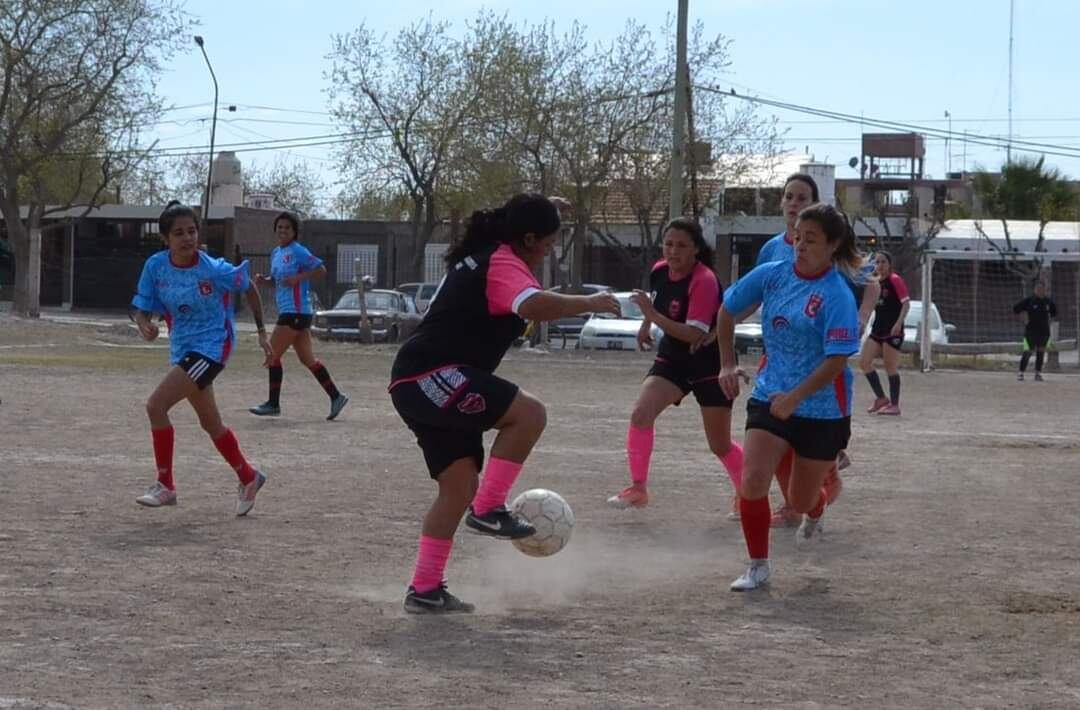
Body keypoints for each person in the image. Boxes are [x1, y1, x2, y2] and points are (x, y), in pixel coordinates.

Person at [388, 193, 620, 614]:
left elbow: (519, 226)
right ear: (527, 238)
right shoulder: (503, 262)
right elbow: (533, 305)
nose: (549, 251)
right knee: (530, 414)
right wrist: (589, 302)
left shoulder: (489, 251)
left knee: (456, 489)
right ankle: (490, 508)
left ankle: (424, 588)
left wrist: (541, 205)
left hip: (415, 380)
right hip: (431, 374)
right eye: (547, 244)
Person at [717, 202, 863, 591]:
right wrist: (727, 363)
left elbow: (836, 361)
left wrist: (797, 397)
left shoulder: (837, 294)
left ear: (833, 245)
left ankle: (815, 509)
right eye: (798, 236)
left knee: (799, 501)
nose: (800, 244)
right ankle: (758, 566)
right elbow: (727, 311)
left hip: (822, 408)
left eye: (811, 239)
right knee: (752, 481)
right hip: (770, 394)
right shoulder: (772, 275)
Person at [752, 174, 880, 527]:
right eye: (789, 196)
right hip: (778, 359)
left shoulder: (827, 247)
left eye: (802, 197)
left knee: (800, 437)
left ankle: (816, 485)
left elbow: (868, 279)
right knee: (771, 435)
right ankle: (797, 501)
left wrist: (863, 314)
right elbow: (754, 295)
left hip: (819, 362)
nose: (794, 203)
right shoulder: (772, 250)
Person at [131, 201, 273, 515]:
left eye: (192, 231)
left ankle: (165, 485)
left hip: (212, 346)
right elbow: (142, 309)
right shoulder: (156, 267)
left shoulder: (212, 268)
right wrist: (144, 325)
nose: (187, 238)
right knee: (211, 424)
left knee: (156, 405)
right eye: (179, 232)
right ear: (165, 238)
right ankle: (248, 476)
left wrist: (262, 332)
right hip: (182, 349)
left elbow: (247, 286)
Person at [605, 218, 743, 515]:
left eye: (682, 245)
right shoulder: (659, 271)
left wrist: (651, 315)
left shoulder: (703, 280)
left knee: (719, 444)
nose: (673, 251)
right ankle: (638, 488)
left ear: (696, 249)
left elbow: (694, 334)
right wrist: (646, 323)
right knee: (641, 414)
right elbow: (659, 302)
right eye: (669, 244)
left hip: (710, 363)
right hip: (674, 359)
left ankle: (748, 494)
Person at [249, 212, 349, 420]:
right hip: (292, 313)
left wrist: (299, 278)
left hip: (295, 312)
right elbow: (278, 281)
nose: (283, 231)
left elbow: (320, 269)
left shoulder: (298, 251)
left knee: (272, 354)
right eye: (280, 227)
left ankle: (273, 404)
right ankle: (337, 397)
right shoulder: (276, 252)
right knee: (308, 360)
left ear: (294, 232)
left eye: (287, 227)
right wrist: (264, 280)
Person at [859, 251, 909, 416]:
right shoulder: (874, 283)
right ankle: (881, 398)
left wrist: (898, 324)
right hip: (877, 330)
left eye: (883, 262)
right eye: (877, 262)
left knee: (890, 366)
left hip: (892, 330)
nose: (880, 265)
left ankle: (895, 405)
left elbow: (906, 303)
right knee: (864, 362)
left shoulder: (895, 280)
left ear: (889, 264)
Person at [1014, 281, 1057, 381]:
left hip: (1044, 332)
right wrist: (1023, 319)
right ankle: (1021, 373)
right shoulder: (1029, 300)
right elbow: (1016, 309)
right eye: (1037, 289)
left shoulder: (1048, 301)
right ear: (1034, 290)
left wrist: (1049, 321)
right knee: (1027, 352)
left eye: (1041, 289)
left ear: (1044, 290)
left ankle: (1038, 373)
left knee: (1040, 352)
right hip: (1031, 331)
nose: (1039, 291)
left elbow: (1054, 313)